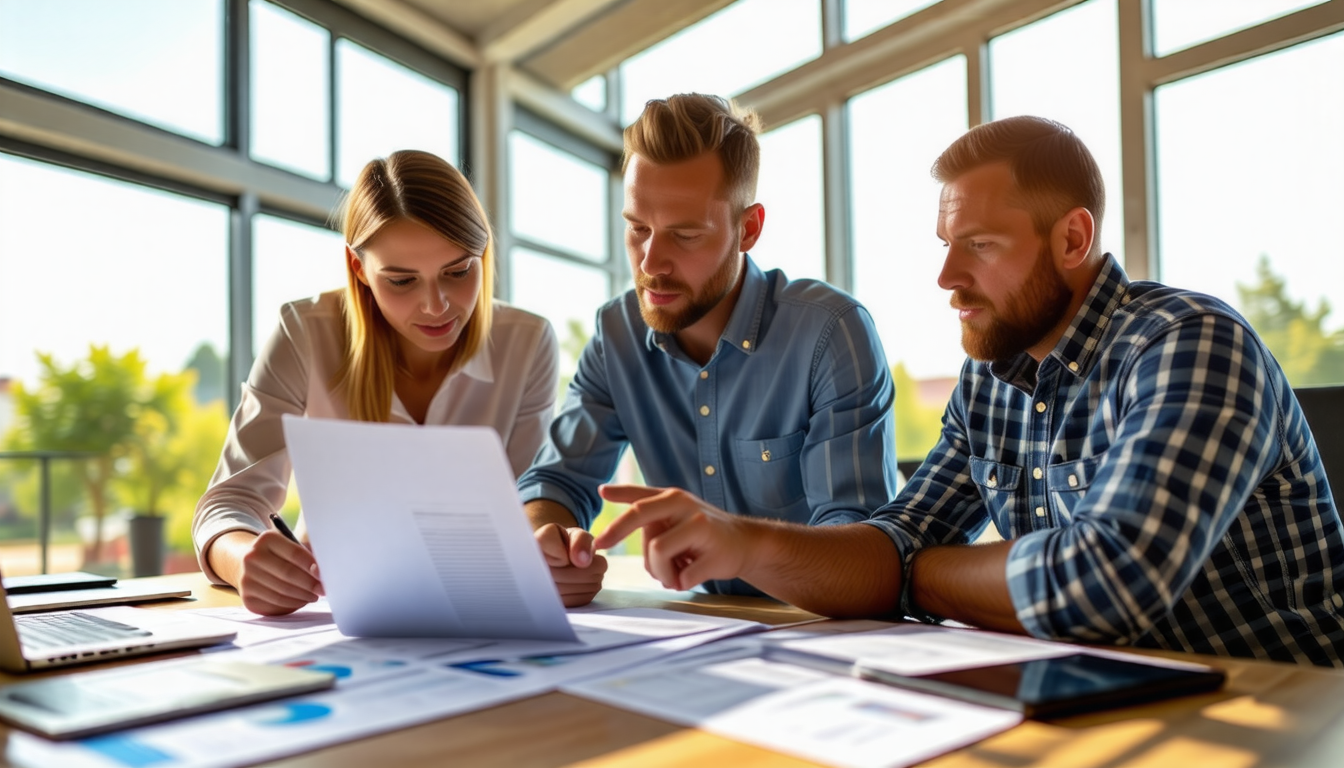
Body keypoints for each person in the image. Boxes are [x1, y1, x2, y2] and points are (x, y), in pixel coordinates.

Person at [594, 115, 1344, 667]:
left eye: (980, 246)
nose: (948, 280)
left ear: (1073, 240)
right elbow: (886, 544)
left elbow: (1107, 583)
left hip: (1284, 702)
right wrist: (739, 541)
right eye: (946, 247)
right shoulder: (987, 383)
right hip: (1102, 695)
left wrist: (907, 577)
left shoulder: (1190, 342)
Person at [518, 93, 899, 606]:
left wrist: (741, 545)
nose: (651, 262)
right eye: (637, 229)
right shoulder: (617, 335)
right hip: (706, 627)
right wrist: (548, 542)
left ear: (748, 229)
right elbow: (556, 482)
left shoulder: (830, 333)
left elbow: (864, 560)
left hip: (817, 628)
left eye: (685, 235)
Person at [194, 150, 559, 616]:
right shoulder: (304, 332)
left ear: (483, 255)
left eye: (458, 271)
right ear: (358, 269)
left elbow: (526, 507)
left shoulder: (526, 342)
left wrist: (552, 554)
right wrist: (245, 560)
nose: (436, 306)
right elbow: (229, 501)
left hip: (478, 609)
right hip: (331, 613)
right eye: (402, 281)